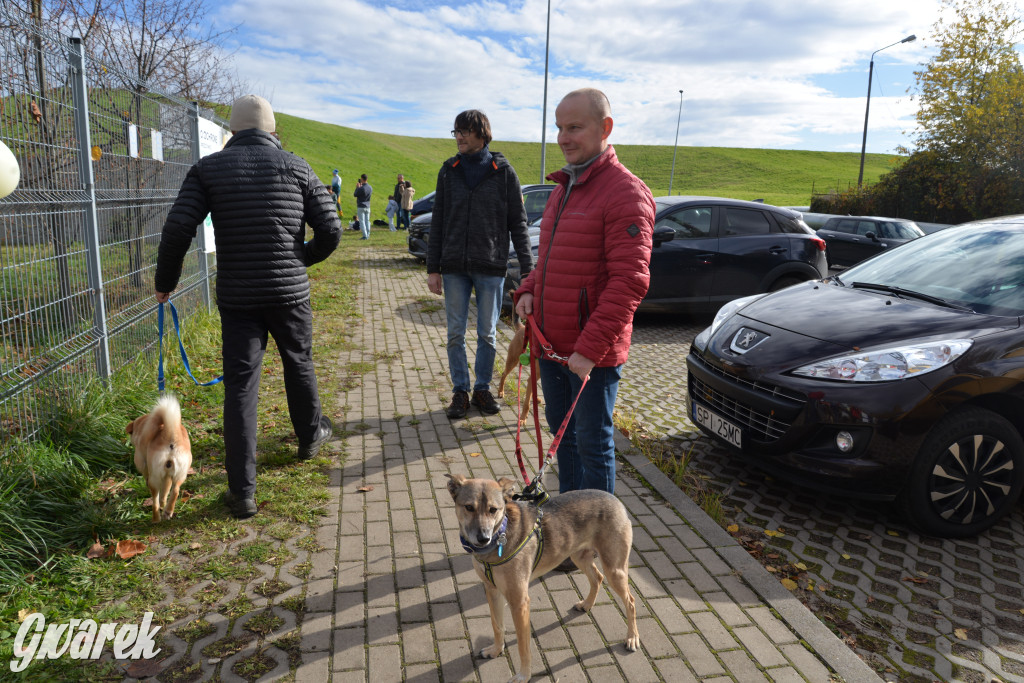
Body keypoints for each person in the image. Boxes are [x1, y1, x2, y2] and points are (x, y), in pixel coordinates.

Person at [154, 94, 341, 519]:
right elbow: (330, 228)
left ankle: (242, 492)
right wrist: (300, 260)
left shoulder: (208, 169)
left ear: (232, 132)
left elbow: (178, 227)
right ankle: (310, 438)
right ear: (272, 130)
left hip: (238, 296)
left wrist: (165, 283)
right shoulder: (297, 166)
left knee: (241, 385)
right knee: (299, 361)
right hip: (290, 293)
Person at [515, 88, 655, 496]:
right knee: (565, 443)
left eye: (574, 127)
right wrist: (527, 290)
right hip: (552, 347)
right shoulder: (563, 189)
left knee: (593, 446)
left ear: (605, 128)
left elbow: (629, 281)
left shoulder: (626, 192)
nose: (563, 137)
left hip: (589, 356)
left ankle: (597, 541)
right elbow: (549, 262)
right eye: (559, 127)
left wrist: (590, 349)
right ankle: (566, 533)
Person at [428, 109, 532, 419]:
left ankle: (482, 389)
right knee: (455, 333)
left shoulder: (503, 172)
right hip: (455, 268)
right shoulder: (449, 170)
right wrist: (433, 268)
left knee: (487, 332)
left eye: (465, 131)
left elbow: (519, 223)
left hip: (490, 266)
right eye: (456, 131)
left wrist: (528, 271)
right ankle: (460, 392)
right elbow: (438, 222)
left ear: (482, 134)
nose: (458, 136)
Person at [354, 174, 372, 239]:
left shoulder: (361, 188)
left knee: (362, 221)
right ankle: (368, 233)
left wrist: (357, 187)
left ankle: (365, 235)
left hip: (361, 206)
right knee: (367, 221)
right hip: (368, 205)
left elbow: (355, 194)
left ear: (362, 179)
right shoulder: (370, 187)